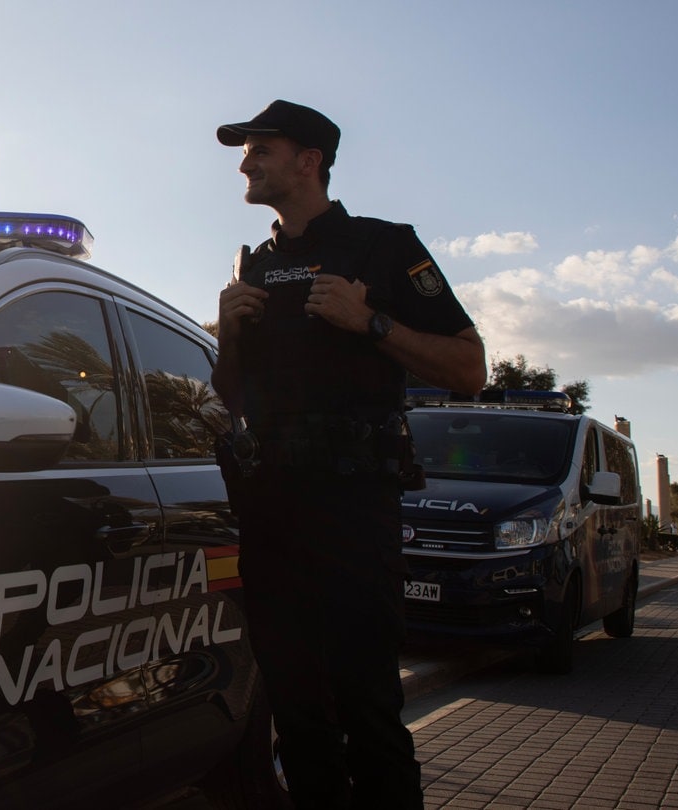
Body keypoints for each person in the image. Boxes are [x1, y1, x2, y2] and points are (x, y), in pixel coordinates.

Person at [212, 100, 486, 809]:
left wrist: (370, 322)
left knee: (366, 707)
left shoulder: (386, 247)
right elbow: (232, 398)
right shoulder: (251, 262)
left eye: (260, 149)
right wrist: (229, 340)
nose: (246, 162)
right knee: (296, 715)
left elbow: (469, 368)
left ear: (309, 160)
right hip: (271, 512)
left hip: (353, 511)